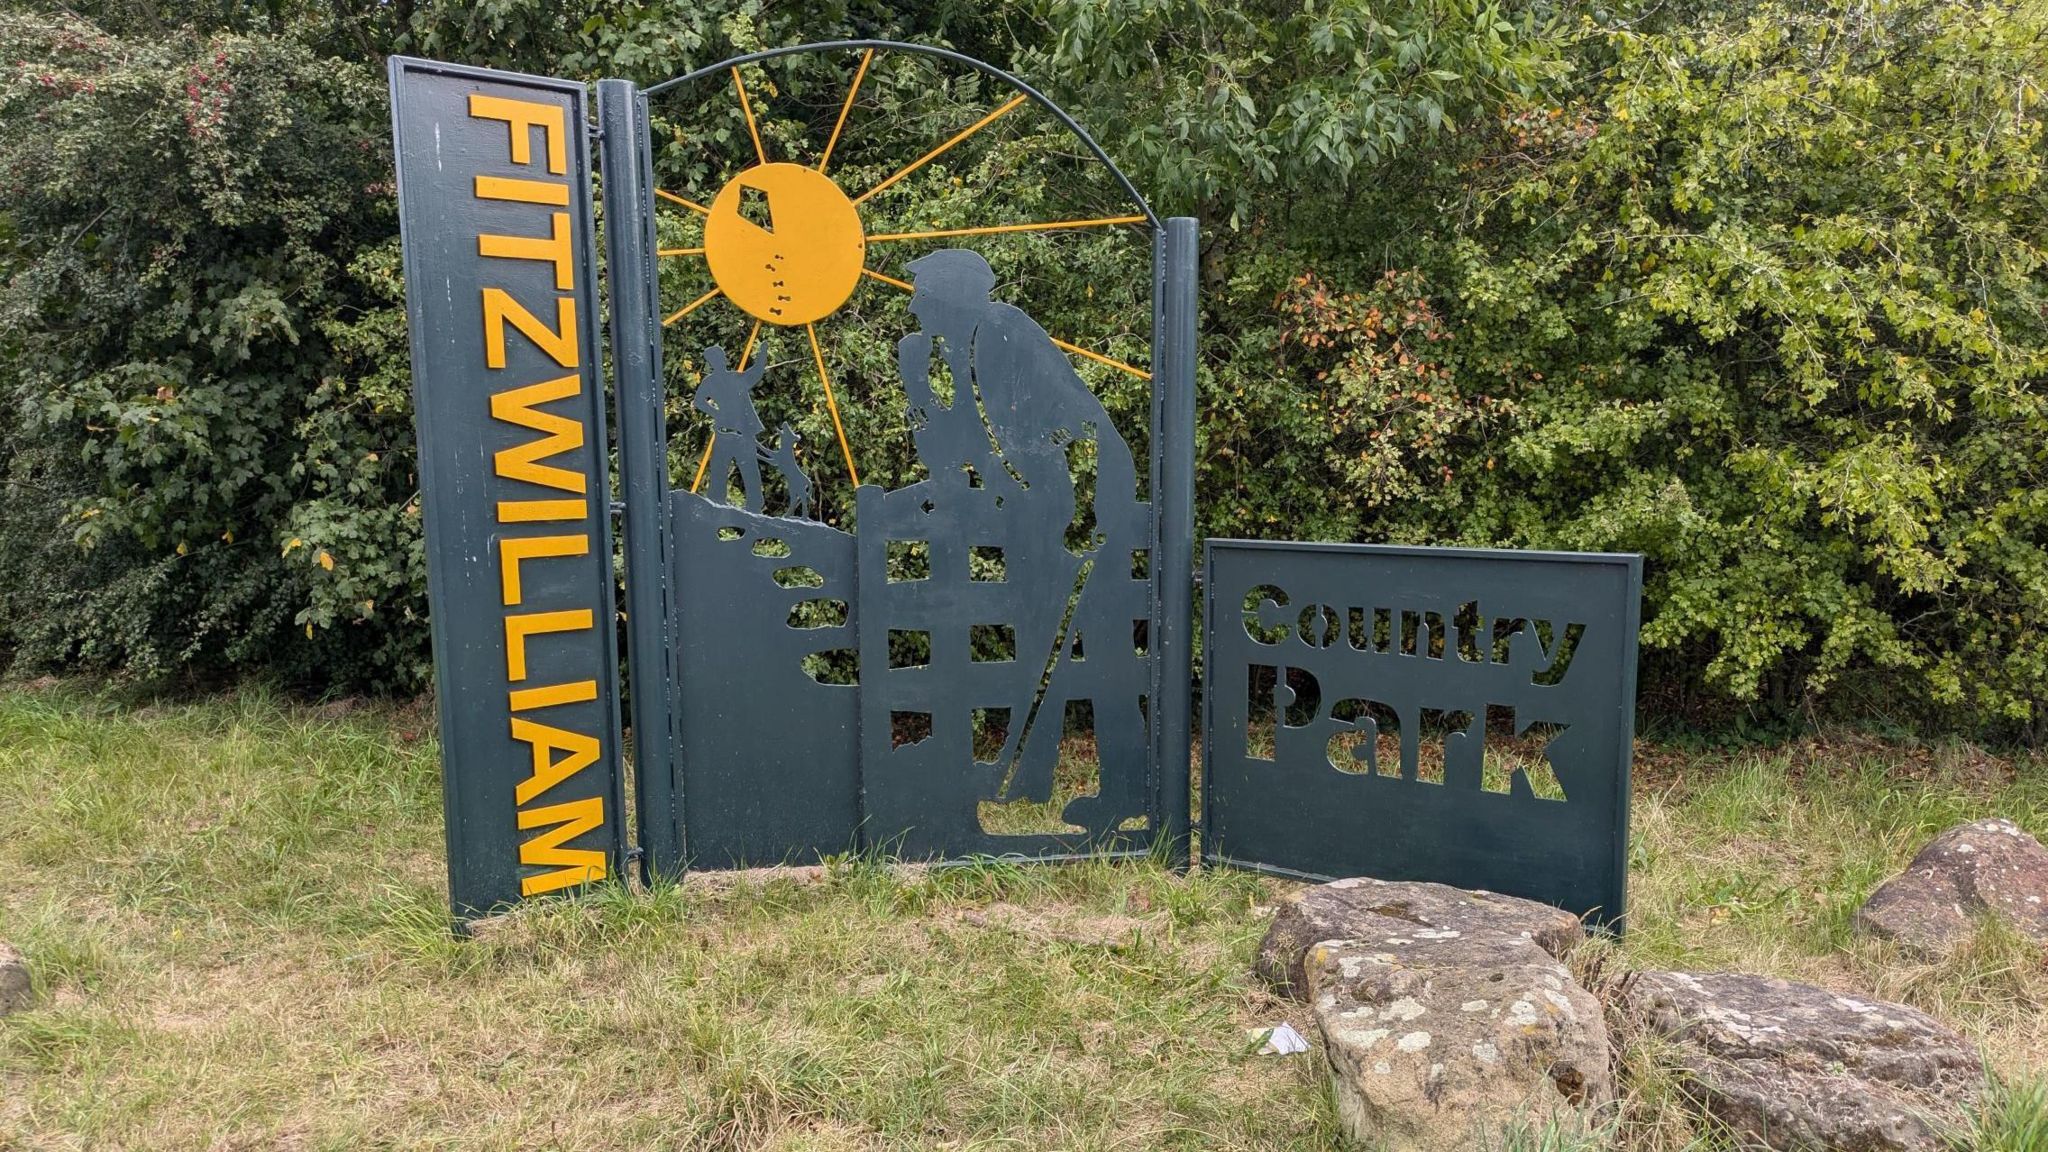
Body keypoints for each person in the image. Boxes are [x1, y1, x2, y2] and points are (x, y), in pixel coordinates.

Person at [693, 345, 766, 513]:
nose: (719, 362)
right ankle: (716, 505)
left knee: (749, 470)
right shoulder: (710, 382)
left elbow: (756, 373)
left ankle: (754, 507)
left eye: (720, 358)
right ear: (711, 363)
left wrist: (762, 355)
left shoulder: (736, 378)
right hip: (724, 434)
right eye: (715, 360)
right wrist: (716, 413)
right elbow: (699, 401)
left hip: (742, 434)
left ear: (724, 360)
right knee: (719, 468)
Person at [760, 423, 812, 519]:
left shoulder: (786, 452)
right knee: (793, 496)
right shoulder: (783, 451)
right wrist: (757, 446)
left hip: (795, 476)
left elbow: (773, 461)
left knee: (799, 495)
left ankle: (804, 514)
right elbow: (772, 456)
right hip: (792, 477)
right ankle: (790, 514)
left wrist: (758, 454)